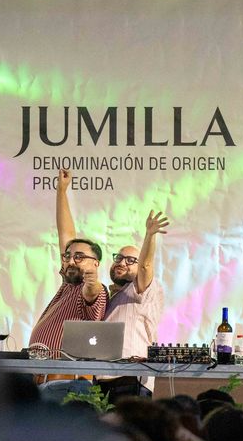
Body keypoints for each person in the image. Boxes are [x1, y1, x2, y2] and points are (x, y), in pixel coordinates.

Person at [56, 168, 169, 399]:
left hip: (132, 379)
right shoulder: (107, 297)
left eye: (130, 260)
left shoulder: (142, 290)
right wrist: (62, 192)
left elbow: (146, 266)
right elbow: (68, 242)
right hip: (101, 382)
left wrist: (149, 235)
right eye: (118, 258)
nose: (122, 262)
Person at [28, 170, 107, 389]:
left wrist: (92, 281)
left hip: (65, 383)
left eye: (79, 257)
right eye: (68, 256)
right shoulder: (68, 285)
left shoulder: (93, 289)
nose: (71, 260)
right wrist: (61, 191)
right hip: (44, 381)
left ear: (95, 263)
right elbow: (66, 235)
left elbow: (93, 292)